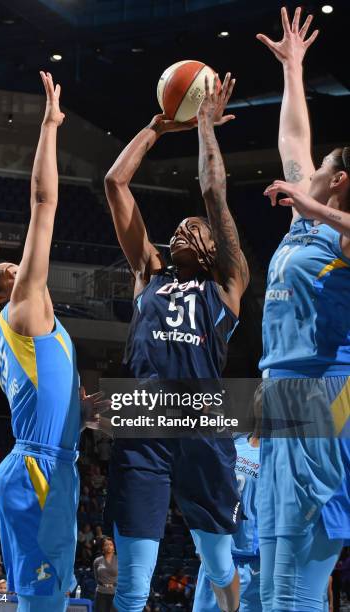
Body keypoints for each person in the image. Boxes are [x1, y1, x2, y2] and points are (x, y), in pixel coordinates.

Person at [104, 73, 249, 612]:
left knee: (217, 560)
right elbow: (115, 184)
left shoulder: (228, 284)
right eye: (180, 227)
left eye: (198, 228)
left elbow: (213, 191)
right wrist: (155, 128)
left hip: (203, 423)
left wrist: (205, 126)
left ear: (216, 249)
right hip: (143, 418)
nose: (185, 230)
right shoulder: (149, 272)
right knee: (133, 578)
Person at [0, 72, 106, 612]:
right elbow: (43, 204)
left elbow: (47, 396)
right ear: (6, 296)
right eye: (12, 269)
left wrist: (82, 410)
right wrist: (50, 128)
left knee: (43, 600)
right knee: (43, 604)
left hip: (47, 466)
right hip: (38, 471)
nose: (21, 266)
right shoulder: (24, 310)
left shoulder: (26, 328)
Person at [256, 6, 350, 610]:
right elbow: (294, 137)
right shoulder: (302, 226)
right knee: (273, 581)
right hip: (280, 393)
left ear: (338, 182)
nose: (306, 170)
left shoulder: (337, 233)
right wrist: (294, 69)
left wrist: (311, 208)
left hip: (322, 393)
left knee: (294, 582)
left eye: (320, 168)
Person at [194, 428, 261, 611]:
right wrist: (201, 545)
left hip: (254, 563)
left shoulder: (283, 455)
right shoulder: (232, 442)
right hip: (218, 556)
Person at [93, 538, 118, 612]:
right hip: (101, 592)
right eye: (106, 545)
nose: (109, 546)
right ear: (103, 547)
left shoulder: (119, 560)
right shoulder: (97, 561)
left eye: (111, 544)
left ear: (114, 547)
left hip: (115, 593)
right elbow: (96, 577)